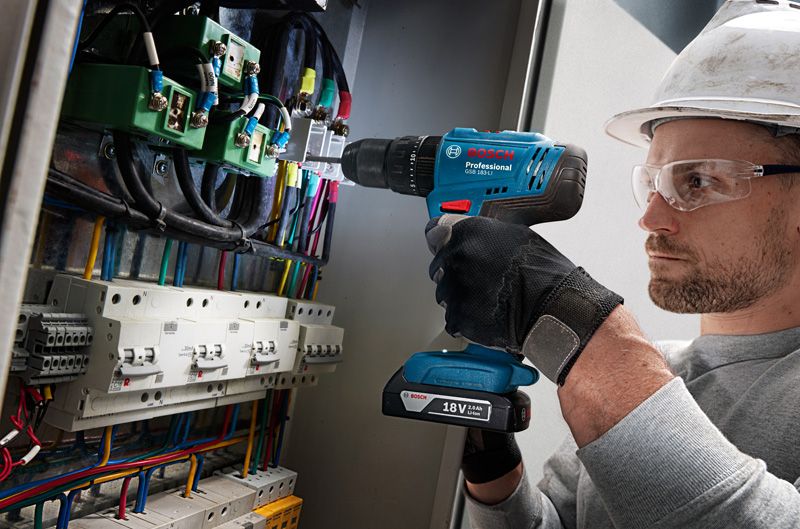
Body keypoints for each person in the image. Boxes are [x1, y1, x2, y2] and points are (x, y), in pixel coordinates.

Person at [425, 2, 800, 527]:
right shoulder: (656, 370)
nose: (651, 218)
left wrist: (578, 322)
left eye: (699, 181)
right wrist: (493, 472)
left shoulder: (624, 375)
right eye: (655, 182)